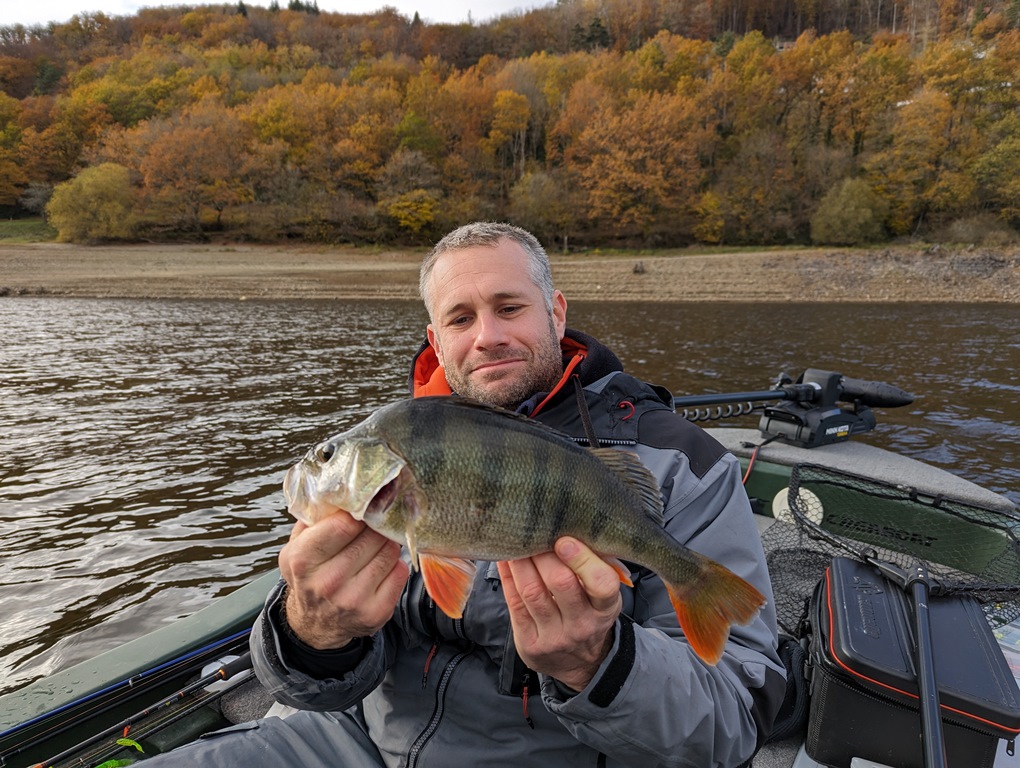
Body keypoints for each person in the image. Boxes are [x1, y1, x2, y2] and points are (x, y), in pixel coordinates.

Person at [150, 222, 786, 767]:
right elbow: (312, 690)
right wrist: (312, 633)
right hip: (358, 743)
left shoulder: (681, 463)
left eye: (509, 308)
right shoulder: (393, 458)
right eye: (460, 318)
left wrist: (599, 662)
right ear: (436, 339)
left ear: (556, 312)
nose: (487, 336)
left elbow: (734, 722)